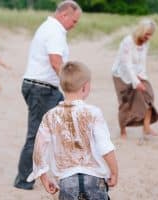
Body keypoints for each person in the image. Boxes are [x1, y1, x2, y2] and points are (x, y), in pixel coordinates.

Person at [14, 1, 82, 190]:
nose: (74, 26)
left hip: (43, 88)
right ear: (64, 15)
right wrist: (70, 87)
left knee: (68, 123)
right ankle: (23, 180)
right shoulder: (55, 30)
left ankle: (68, 171)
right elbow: (55, 61)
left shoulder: (51, 28)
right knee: (37, 135)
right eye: (74, 21)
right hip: (41, 89)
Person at [27, 61, 118, 200]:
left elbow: (38, 150)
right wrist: (114, 171)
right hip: (95, 179)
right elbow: (105, 147)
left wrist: (44, 178)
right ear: (85, 87)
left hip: (67, 182)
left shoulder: (50, 116)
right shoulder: (93, 113)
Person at [112, 19, 158, 141]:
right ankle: (123, 130)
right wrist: (136, 82)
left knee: (149, 97)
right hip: (121, 75)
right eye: (147, 34)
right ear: (141, 31)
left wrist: (142, 77)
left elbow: (142, 62)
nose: (148, 37)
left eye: (151, 35)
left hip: (138, 74)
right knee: (126, 103)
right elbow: (127, 64)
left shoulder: (145, 43)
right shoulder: (128, 41)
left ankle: (146, 127)